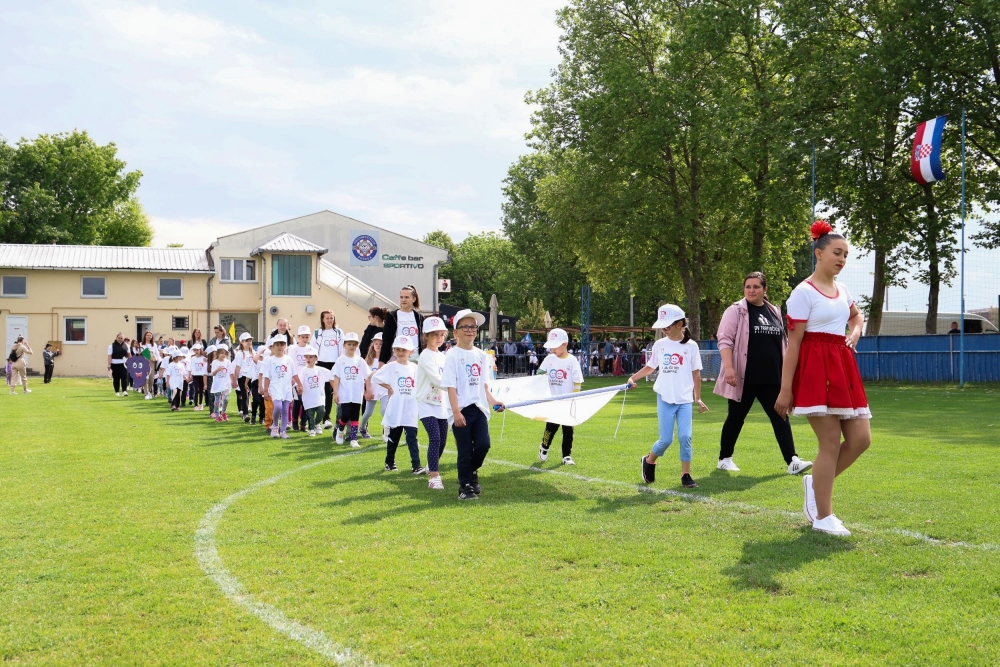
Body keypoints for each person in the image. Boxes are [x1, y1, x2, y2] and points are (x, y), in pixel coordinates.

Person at [775, 220, 871, 537]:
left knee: (861, 440)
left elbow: (857, 317)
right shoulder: (802, 292)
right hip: (816, 371)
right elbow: (793, 345)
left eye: (845, 254)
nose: (842, 260)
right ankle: (823, 517)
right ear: (818, 253)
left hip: (843, 367)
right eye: (836, 253)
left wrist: (854, 333)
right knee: (829, 443)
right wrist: (785, 390)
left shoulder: (843, 290)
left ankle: (814, 482)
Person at [715, 272, 813, 475]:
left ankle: (792, 461)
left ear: (764, 289)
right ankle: (724, 459)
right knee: (736, 417)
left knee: (781, 416)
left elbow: (783, 344)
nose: (751, 290)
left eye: (756, 287)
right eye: (748, 286)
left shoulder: (774, 311)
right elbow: (725, 340)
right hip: (744, 378)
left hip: (772, 378)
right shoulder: (736, 311)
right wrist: (730, 368)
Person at [627, 305, 708, 489]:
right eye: (662, 326)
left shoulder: (691, 346)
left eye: (667, 326)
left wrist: (698, 398)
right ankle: (649, 460)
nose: (664, 330)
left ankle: (686, 474)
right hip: (664, 397)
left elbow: (696, 374)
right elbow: (650, 367)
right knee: (666, 440)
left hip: (685, 399)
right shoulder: (660, 345)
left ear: (680, 324)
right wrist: (633, 377)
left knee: (685, 437)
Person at [442, 309, 505, 501]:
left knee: (484, 445)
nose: (470, 330)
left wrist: (494, 402)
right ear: (456, 332)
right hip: (461, 409)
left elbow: (483, 385)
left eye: (473, 327)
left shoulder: (481, 355)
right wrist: (456, 411)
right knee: (464, 450)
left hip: (479, 410)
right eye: (465, 327)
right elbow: (450, 386)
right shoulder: (452, 355)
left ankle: (472, 471)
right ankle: (465, 486)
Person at [373, 336, 425, 473]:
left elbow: (421, 383)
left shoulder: (415, 367)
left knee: (412, 437)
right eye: (398, 349)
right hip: (396, 407)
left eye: (404, 350)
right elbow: (375, 377)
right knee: (394, 437)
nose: (401, 352)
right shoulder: (391, 366)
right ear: (393, 350)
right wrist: (389, 387)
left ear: (411, 352)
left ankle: (416, 465)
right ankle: (389, 462)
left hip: (410, 407)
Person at [537, 328, 584, 465]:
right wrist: (542, 376)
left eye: (555, 346)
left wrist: (574, 398)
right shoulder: (549, 359)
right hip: (552, 401)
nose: (553, 350)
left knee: (568, 429)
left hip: (567, 402)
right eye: (551, 347)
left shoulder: (572, 361)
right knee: (551, 427)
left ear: (565, 344)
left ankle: (566, 455)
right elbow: (540, 373)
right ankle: (544, 447)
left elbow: (577, 381)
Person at [417, 316, 450, 488]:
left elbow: (449, 375)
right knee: (435, 438)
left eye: (441, 335)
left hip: (440, 403)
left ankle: (431, 465)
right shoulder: (425, 356)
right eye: (434, 334)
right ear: (426, 336)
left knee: (443, 440)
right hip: (425, 403)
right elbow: (437, 380)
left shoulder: (443, 356)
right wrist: (454, 387)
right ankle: (434, 477)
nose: (438, 338)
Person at [332, 332, 369, 447]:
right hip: (345, 393)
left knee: (355, 416)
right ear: (344, 345)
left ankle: (354, 439)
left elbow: (368, 375)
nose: (351, 346)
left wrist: (368, 390)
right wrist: (336, 392)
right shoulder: (340, 360)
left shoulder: (360, 361)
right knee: (345, 415)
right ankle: (340, 431)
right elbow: (336, 377)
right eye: (349, 344)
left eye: (354, 344)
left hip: (357, 393)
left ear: (357, 345)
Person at [379, 285, 425, 364]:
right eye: (401, 297)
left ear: (414, 299)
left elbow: (424, 340)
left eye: (407, 297)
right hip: (398, 356)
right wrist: (382, 362)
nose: (403, 300)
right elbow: (386, 340)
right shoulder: (392, 316)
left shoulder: (420, 318)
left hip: (416, 357)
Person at [314, 310, 344, 429]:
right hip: (321, 364)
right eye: (327, 318)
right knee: (323, 391)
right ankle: (321, 417)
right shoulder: (318, 332)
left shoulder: (339, 332)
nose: (330, 320)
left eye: (332, 318)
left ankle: (329, 418)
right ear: (322, 319)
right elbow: (312, 349)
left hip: (335, 364)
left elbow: (343, 348)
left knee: (332, 391)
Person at [260, 336, 294, 439]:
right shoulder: (269, 360)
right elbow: (266, 377)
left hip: (286, 388)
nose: (280, 347)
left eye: (282, 344)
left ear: (285, 346)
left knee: (285, 410)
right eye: (277, 345)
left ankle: (283, 431)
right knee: (278, 407)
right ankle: (275, 425)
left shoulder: (288, 359)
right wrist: (265, 390)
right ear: (273, 347)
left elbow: (294, 374)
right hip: (275, 387)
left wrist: (299, 384)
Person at [295, 347, 330, 436]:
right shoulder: (303, 371)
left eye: (311, 357)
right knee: (310, 414)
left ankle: (317, 423)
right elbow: (298, 382)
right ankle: (312, 429)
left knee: (321, 411)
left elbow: (332, 374)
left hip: (319, 396)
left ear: (316, 358)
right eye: (306, 357)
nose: (308, 359)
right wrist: (299, 388)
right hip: (308, 397)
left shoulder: (320, 370)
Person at [360, 333, 386, 440]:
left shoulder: (387, 360)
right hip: (373, 389)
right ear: (373, 345)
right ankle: (362, 427)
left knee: (384, 410)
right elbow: (367, 377)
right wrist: (368, 391)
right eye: (376, 343)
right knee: (368, 413)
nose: (378, 346)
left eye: (381, 344)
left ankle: (386, 431)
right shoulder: (369, 361)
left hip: (385, 389)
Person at [290, 325, 313, 431]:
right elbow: (290, 364)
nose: (304, 339)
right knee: (298, 401)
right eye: (302, 337)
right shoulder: (293, 349)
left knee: (306, 402)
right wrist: (292, 378)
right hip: (296, 379)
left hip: (307, 379)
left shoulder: (311, 349)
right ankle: (295, 421)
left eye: (306, 337)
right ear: (298, 337)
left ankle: (303, 423)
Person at [233, 333, 256, 421]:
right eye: (247, 340)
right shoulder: (239, 353)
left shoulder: (253, 352)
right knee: (244, 395)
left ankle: (254, 413)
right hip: (242, 376)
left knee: (254, 395)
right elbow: (237, 367)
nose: (249, 342)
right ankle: (245, 414)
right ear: (242, 342)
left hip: (252, 376)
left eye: (250, 340)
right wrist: (235, 380)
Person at [210, 346, 234, 422]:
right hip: (217, 384)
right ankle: (217, 414)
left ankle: (223, 412)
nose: (223, 355)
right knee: (217, 400)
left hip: (226, 384)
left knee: (226, 399)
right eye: (221, 353)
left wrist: (233, 381)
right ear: (218, 354)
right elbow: (213, 374)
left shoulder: (228, 362)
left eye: (225, 353)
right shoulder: (214, 362)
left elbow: (231, 373)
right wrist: (217, 369)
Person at [188, 343, 209, 410]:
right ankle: (196, 405)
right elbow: (190, 368)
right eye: (195, 350)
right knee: (196, 390)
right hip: (195, 376)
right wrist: (189, 375)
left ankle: (200, 404)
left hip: (202, 376)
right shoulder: (193, 358)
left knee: (201, 390)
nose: (196, 351)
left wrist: (207, 360)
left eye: (197, 350)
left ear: (200, 350)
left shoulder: (204, 358)